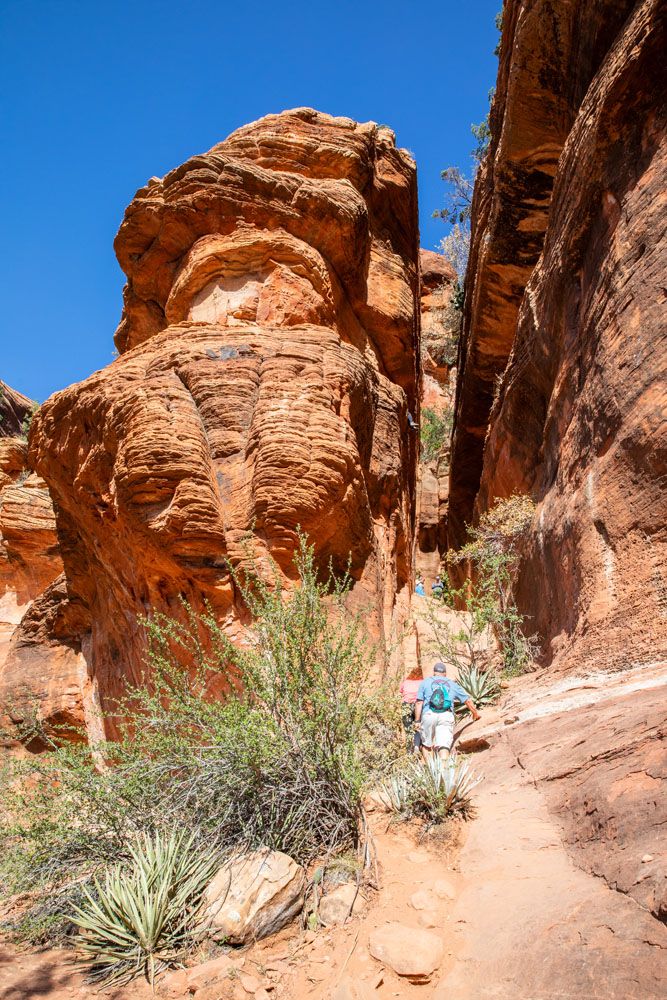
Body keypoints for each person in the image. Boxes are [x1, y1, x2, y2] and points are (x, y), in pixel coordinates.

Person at [414, 662, 481, 761]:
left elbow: (419, 703)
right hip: (446, 714)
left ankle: (431, 772)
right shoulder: (452, 684)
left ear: (434, 673)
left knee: (427, 745)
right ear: (445, 673)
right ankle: (443, 770)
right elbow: (468, 700)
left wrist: (417, 721)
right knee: (444, 745)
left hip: (428, 714)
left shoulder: (425, 682)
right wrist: (475, 714)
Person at [399, 670, 423, 753]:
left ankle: (409, 750)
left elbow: (401, 691)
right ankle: (417, 746)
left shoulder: (406, 682)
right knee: (418, 726)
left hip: (406, 706)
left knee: (408, 728)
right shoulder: (422, 682)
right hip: (418, 705)